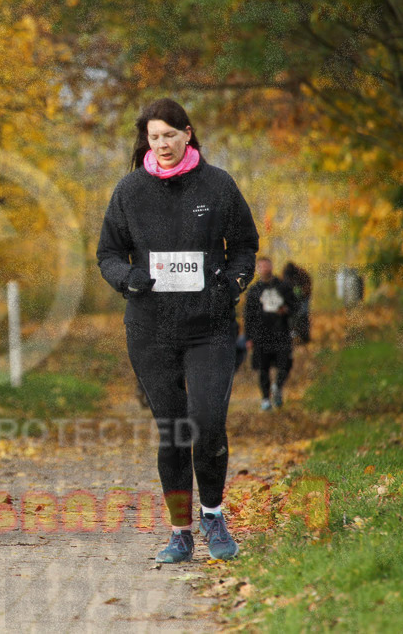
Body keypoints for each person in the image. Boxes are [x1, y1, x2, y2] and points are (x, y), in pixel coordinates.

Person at [97, 98, 259, 563]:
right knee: (172, 431)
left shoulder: (218, 184)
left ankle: (213, 514)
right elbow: (107, 253)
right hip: (151, 329)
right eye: (154, 137)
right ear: (145, 141)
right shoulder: (129, 191)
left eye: (170, 134)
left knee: (207, 423)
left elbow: (245, 245)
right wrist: (127, 279)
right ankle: (180, 531)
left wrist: (232, 284)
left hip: (209, 326)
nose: (163, 144)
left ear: (188, 133)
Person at [244, 257, 299, 411]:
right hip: (261, 335)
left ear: (271, 267)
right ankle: (265, 399)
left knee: (286, 363)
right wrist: (248, 338)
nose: (265, 269)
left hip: (281, 333)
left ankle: (277, 386)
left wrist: (286, 310)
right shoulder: (254, 291)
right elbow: (248, 315)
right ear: (258, 270)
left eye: (267, 266)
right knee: (263, 369)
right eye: (261, 267)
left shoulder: (283, 286)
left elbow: (295, 306)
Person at [281, 261, 312, 343]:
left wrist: (302, 292)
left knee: (303, 314)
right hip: (291, 299)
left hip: (304, 297)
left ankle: (305, 337)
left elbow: (308, 286)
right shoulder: (285, 274)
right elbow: (283, 286)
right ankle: (292, 335)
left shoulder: (301, 273)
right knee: (291, 316)